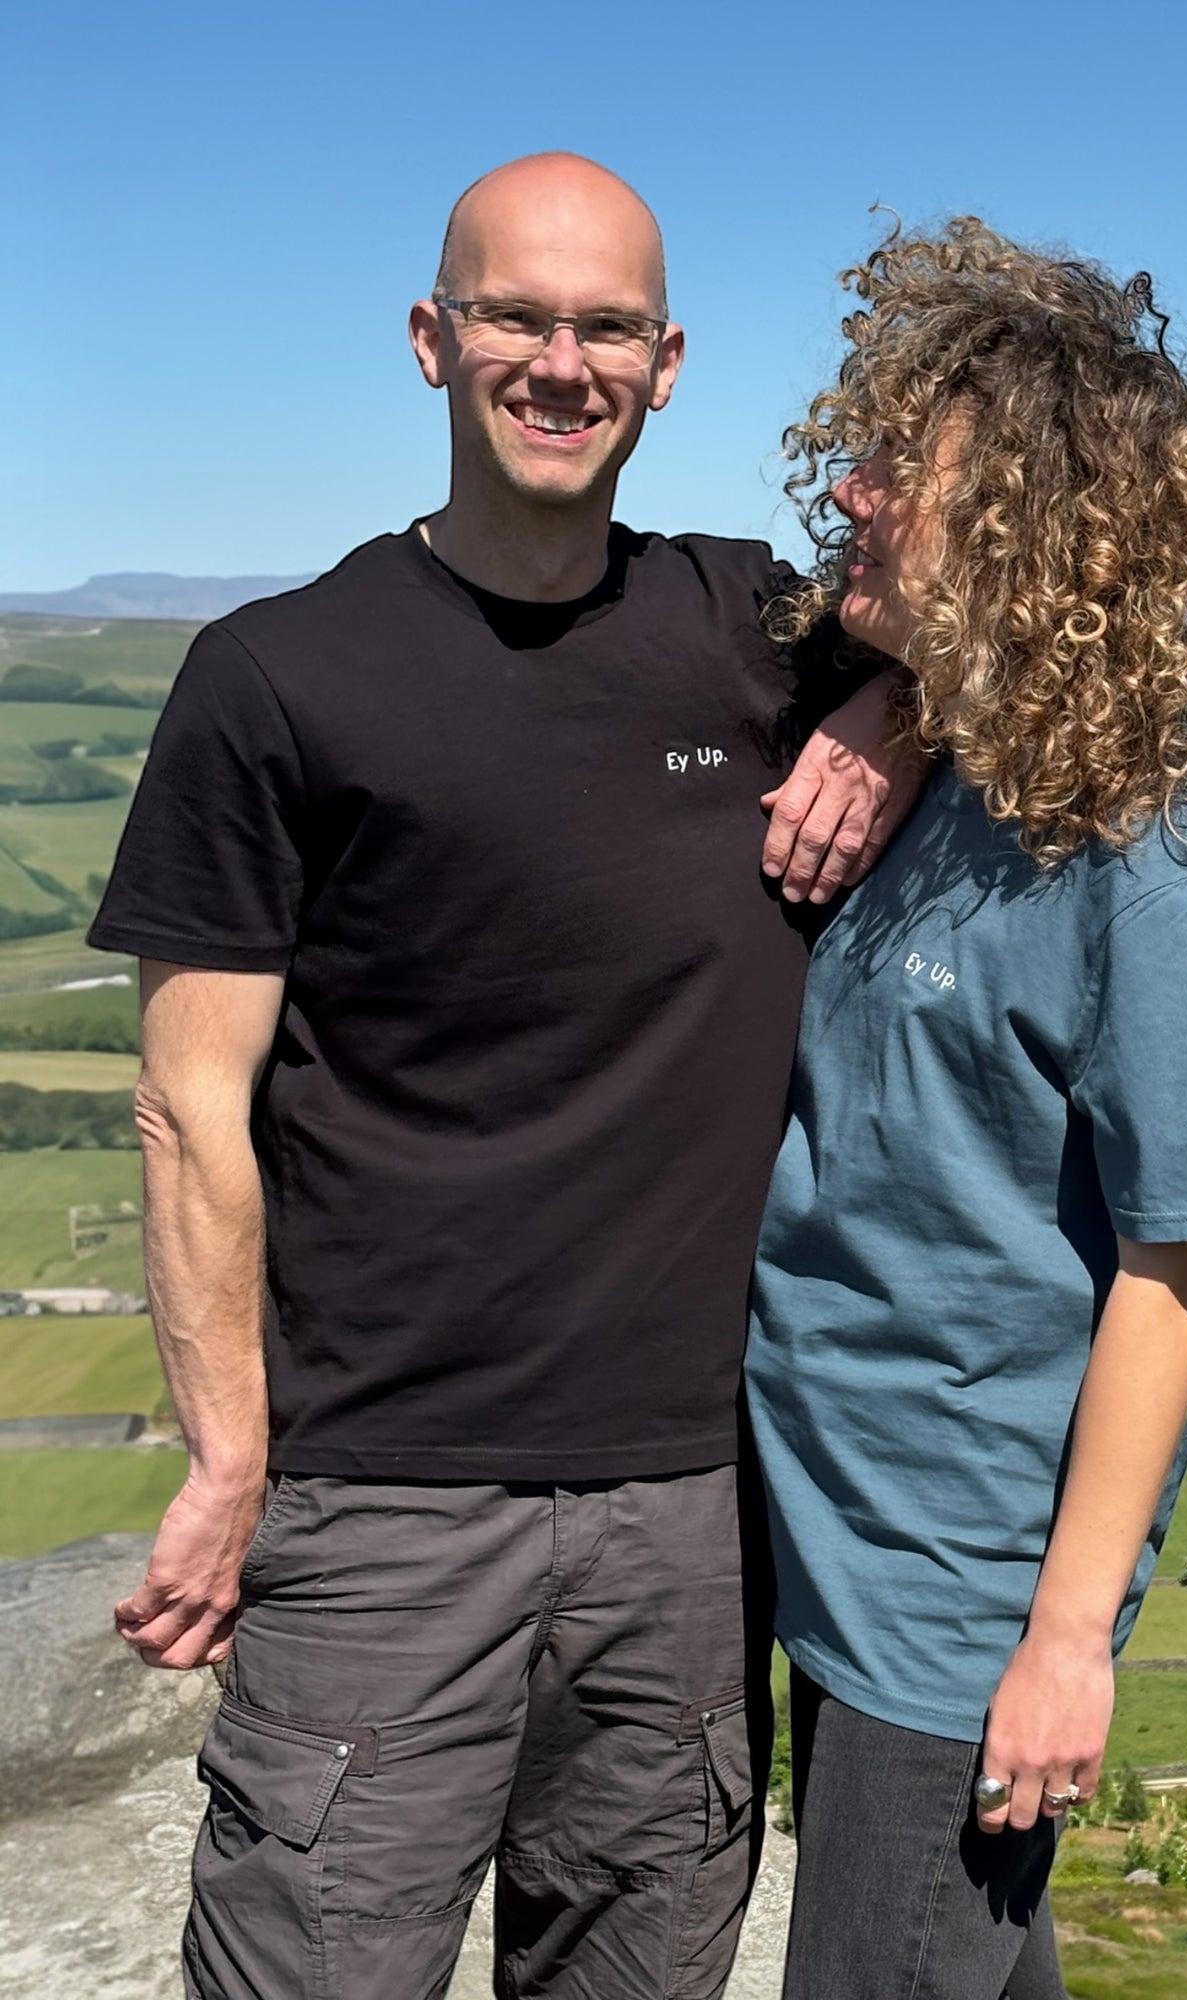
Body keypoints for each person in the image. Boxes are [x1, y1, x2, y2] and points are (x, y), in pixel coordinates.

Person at [86, 153, 917, 2000]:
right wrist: (232, 1457)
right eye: (516, 317)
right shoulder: (277, 676)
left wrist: (892, 710)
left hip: (695, 1508)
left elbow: (1039, 637)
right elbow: (186, 1106)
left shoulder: (762, 631)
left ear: (671, 361)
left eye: (607, 324)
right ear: (432, 339)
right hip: (383, 1501)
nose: (562, 361)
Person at [744, 218, 1187, 1999]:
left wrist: (1066, 1643)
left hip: (956, 1598)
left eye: (900, 466)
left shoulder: (1157, 864)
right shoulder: (952, 764)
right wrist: (900, 695)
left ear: (1027, 530)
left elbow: (1173, 1266)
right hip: (821, 1528)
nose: (850, 484)